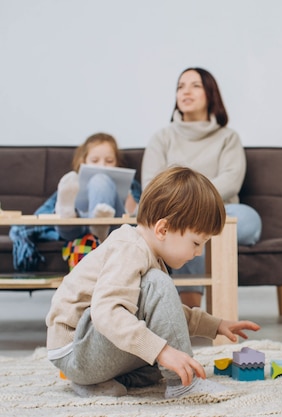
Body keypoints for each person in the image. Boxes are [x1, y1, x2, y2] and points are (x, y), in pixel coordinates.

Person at [46, 166, 260, 400]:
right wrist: (162, 350)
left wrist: (215, 325)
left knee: (158, 363)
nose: (199, 253)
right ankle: (183, 385)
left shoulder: (151, 256)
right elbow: (107, 311)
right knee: (162, 347)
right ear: (163, 229)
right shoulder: (130, 248)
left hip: (89, 354)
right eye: (197, 243)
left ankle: (95, 383)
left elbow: (166, 317)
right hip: (77, 349)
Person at [142, 67, 262, 308]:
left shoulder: (228, 138)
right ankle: (191, 308)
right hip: (176, 216)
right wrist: (188, 208)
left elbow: (231, 180)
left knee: (249, 220)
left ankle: (192, 311)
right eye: (180, 86)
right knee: (188, 224)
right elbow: (151, 186)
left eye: (195, 85)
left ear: (210, 94)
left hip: (223, 211)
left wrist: (192, 199)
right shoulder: (162, 138)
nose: (186, 91)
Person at [9, 133, 141, 271]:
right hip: (76, 231)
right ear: (83, 163)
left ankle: (99, 223)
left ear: (117, 163)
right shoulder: (72, 184)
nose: (102, 165)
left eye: (109, 161)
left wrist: (131, 203)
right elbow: (40, 216)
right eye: (95, 160)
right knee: (67, 219)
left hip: (114, 228)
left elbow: (142, 220)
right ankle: (72, 215)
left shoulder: (131, 185)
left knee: (100, 180)